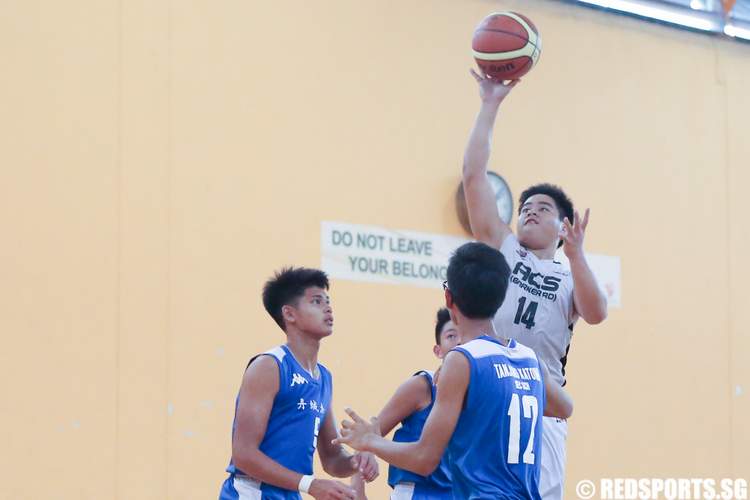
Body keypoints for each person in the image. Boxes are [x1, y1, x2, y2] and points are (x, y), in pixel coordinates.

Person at [462, 69, 609, 499]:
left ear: (563, 228)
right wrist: (490, 104)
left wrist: (578, 254)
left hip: (541, 406)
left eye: (542, 208)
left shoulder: (569, 273)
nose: (528, 211)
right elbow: (473, 175)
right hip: (490, 392)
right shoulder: (504, 247)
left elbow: (597, 313)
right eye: (525, 206)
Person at [334, 242, 573, 499]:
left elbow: (425, 459)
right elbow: (564, 408)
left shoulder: (462, 361)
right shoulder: (530, 359)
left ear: (449, 298)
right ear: (502, 298)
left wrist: (371, 441)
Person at [219, 267, 378, 500]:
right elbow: (243, 454)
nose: (328, 307)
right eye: (316, 301)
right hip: (252, 493)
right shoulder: (270, 366)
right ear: (289, 314)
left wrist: (357, 460)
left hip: (292, 493)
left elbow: (332, 459)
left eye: (328, 301)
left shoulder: (323, 377)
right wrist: (310, 485)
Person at [376, 308, 458, 499]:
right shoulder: (422, 386)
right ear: (438, 350)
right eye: (451, 336)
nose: (459, 341)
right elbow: (370, 433)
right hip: (418, 492)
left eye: (464, 335)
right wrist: (359, 487)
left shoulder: (479, 391)